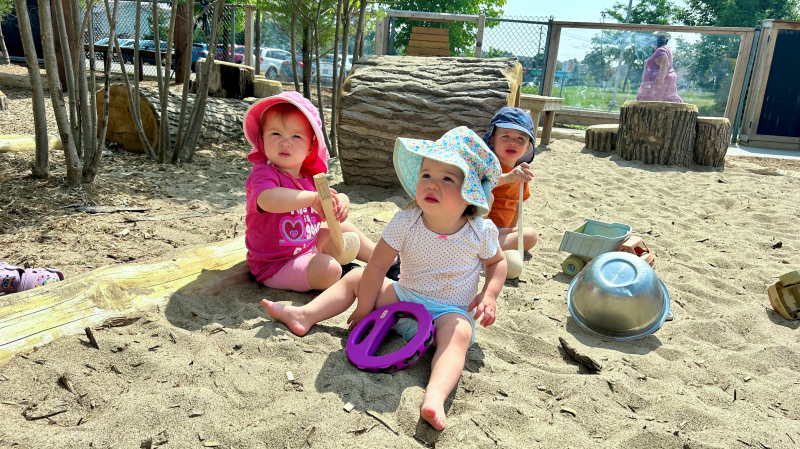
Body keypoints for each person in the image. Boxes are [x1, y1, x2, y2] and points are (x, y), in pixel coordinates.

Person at [262, 126, 508, 431]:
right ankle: (304, 314)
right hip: (405, 299)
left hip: (449, 311)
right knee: (358, 276)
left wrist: (489, 295)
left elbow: (498, 263)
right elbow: (378, 266)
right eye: (427, 175)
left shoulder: (479, 230)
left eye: (447, 178)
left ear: (469, 193)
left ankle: (434, 396)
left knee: (457, 335)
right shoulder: (406, 220)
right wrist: (365, 307)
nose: (433, 184)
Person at [243, 91, 396, 292]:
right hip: (277, 263)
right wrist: (312, 199)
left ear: (310, 147)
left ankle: (388, 262)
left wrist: (341, 202)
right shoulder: (264, 174)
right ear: (262, 140)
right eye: (276, 134)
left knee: (345, 228)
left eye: (296, 136)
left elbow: (331, 197)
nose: (285, 142)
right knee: (328, 270)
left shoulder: (308, 177)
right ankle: (347, 273)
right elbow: (268, 200)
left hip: (308, 246)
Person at [482, 107, 539, 253]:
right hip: (479, 227)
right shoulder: (486, 164)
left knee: (531, 235)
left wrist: (511, 230)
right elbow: (482, 184)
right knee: (491, 196)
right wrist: (509, 177)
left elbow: (517, 206)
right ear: (492, 140)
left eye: (520, 138)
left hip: (500, 230)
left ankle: (490, 248)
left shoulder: (521, 171)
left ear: (527, 147)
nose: (512, 142)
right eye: (505, 136)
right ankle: (484, 247)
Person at [636, 33, 683, 103]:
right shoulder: (667, 49)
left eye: (653, 42)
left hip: (656, 85)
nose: (652, 45)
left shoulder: (661, 51)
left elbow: (664, 64)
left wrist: (660, 83)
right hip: (659, 83)